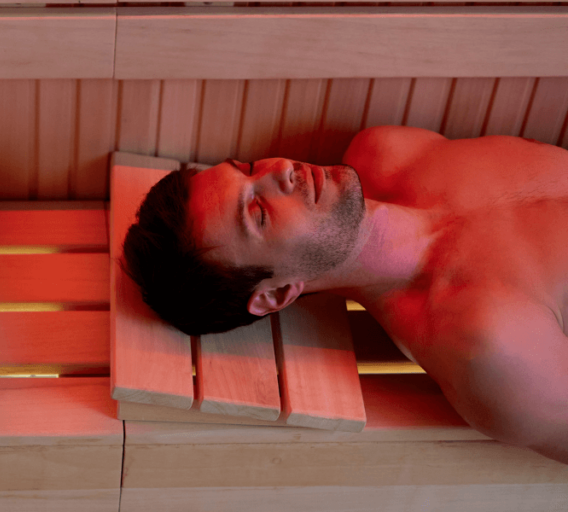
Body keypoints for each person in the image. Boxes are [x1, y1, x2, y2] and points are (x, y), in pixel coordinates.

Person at [122, 125, 568, 465]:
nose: (281, 170)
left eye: (250, 168)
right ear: (276, 294)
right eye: (258, 211)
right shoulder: (490, 345)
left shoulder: (384, 152)